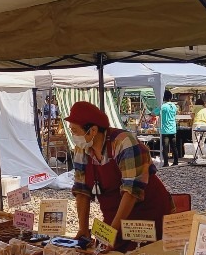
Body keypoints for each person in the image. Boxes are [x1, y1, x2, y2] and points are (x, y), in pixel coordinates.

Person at [66, 101, 173, 244]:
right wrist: (83, 229)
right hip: (114, 214)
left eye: (74, 131)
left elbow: (131, 191)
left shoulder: (124, 142)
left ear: (92, 131)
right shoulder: (82, 148)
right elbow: (81, 190)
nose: (73, 135)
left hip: (146, 214)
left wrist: (112, 233)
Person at [153, 90, 179, 166]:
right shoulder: (174, 106)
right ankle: (176, 162)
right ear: (170, 97)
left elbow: (153, 113)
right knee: (174, 147)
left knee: (165, 148)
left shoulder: (163, 106)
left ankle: (166, 163)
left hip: (165, 130)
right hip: (173, 129)